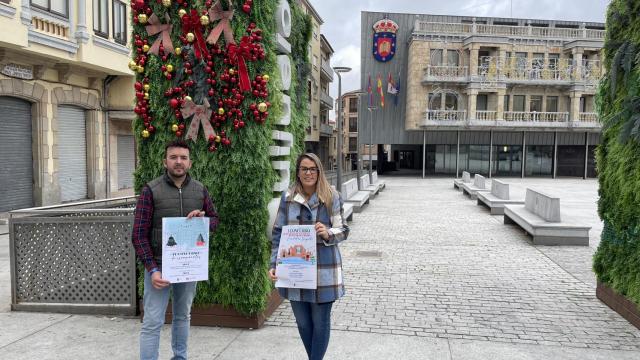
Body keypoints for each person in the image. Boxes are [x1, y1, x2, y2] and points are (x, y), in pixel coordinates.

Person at [132, 140, 219, 360]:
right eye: (173, 157)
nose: (178, 162)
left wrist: (204, 221)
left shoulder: (200, 190)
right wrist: (152, 270)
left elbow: (215, 221)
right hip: (159, 267)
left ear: (190, 163)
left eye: (183, 158)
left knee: (183, 316)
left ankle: (180, 357)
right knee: (152, 321)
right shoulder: (151, 190)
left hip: (188, 265)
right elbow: (139, 235)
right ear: (165, 162)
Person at [268, 153, 349, 360]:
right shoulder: (288, 198)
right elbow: (278, 232)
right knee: (303, 323)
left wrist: (328, 232)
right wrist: (274, 263)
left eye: (313, 169)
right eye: (304, 169)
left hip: (324, 269)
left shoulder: (332, 196)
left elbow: (344, 230)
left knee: (321, 322)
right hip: (295, 270)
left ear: (319, 171)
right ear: (298, 172)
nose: (309, 173)